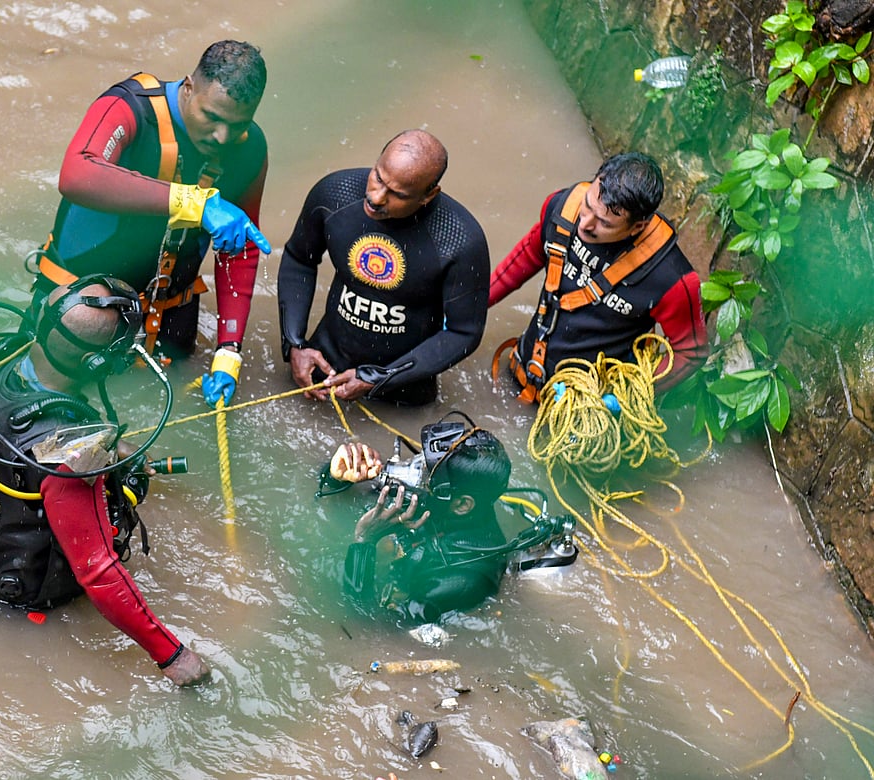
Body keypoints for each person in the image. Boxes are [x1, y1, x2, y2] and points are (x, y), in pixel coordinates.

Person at [0, 276, 210, 686]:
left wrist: (113, 450)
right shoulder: (72, 455)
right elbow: (99, 572)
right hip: (22, 596)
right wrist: (174, 656)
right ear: (100, 365)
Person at [29, 40, 272, 409]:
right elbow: (77, 173)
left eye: (237, 124)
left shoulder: (250, 148)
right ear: (188, 87)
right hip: (80, 312)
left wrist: (228, 350)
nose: (222, 136)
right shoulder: (129, 108)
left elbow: (242, 246)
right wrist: (193, 202)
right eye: (212, 117)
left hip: (170, 315)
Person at [277, 129, 491, 406]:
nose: (376, 198)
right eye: (378, 177)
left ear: (429, 195)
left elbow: (464, 333)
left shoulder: (459, 239)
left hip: (402, 392)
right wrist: (295, 344)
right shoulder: (334, 195)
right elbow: (299, 258)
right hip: (320, 369)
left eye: (397, 194)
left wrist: (379, 378)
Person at [489, 151, 708, 403]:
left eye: (604, 223)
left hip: (587, 410)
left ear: (638, 227)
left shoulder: (671, 279)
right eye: (588, 206)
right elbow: (529, 255)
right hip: (524, 370)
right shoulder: (564, 208)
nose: (585, 224)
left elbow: (691, 352)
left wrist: (622, 400)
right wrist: (470, 304)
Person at [330, 421, 515, 623]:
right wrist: (337, 476)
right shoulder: (446, 501)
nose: (412, 470)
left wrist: (365, 540)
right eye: (420, 461)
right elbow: (345, 497)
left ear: (462, 505)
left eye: (425, 474)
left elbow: (367, 621)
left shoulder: (461, 580)